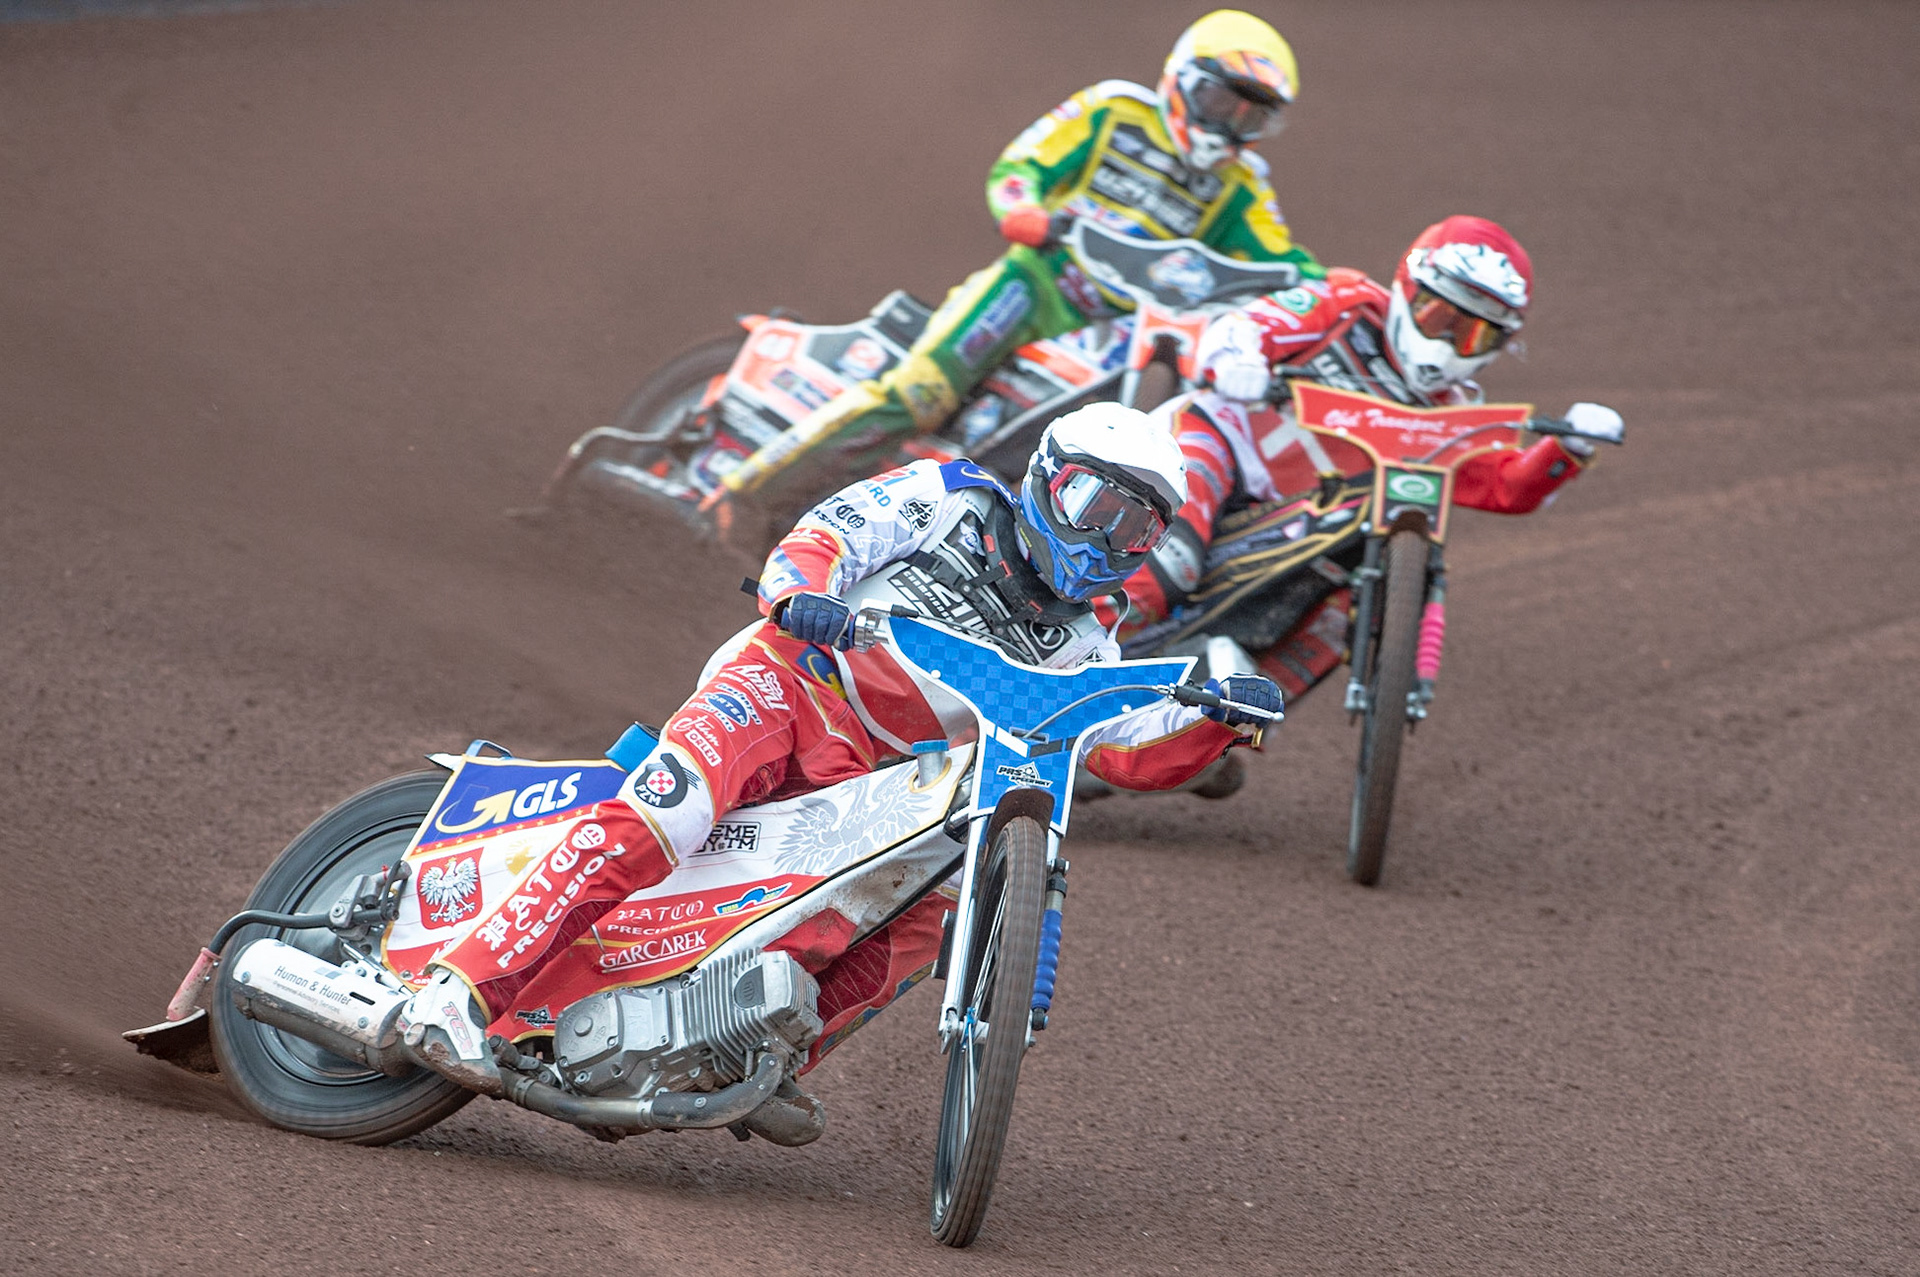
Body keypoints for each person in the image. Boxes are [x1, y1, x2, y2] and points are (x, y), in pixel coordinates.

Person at [397, 404, 1284, 1103]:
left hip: (878, 780)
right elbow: (824, 535)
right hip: (791, 686)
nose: (1105, 545)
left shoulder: (1091, 640)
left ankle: (764, 1062)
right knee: (668, 809)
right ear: (1049, 480)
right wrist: (801, 596)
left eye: (1138, 531)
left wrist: (1218, 723)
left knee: (927, 909)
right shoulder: (949, 495)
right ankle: (457, 991)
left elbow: (1123, 753)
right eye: (1098, 507)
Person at [706, 9, 1323, 511]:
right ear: (1183, 81)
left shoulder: (1243, 185)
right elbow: (1020, 166)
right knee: (920, 394)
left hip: (1119, 335)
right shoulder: (1115, 111)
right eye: (1224, 103)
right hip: (1034, 287)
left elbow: (1284, 263)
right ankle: (744, 500)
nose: (1232, 126)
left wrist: (1331, 297)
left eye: (1253, 115)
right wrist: (1025, 211)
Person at [1096, 215, 1618, 787]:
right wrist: (1236, 363)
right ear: (1407, 291)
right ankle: (1053, 670)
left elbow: (1503, 485)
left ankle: (1215, 732)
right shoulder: (1347, 302)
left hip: (1310, 517)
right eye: (1440, 317)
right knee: (1169, 566)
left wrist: (1565, 450)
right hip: (1220, 440)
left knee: (1340, 620)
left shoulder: (1456, 410)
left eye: (1472, 334)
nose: (1447, 344)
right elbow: (1246, 325)